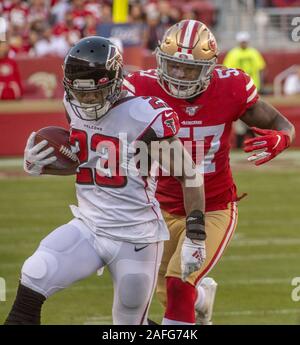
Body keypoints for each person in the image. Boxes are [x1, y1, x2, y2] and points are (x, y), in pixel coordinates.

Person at [4, 36, 206, 325]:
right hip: (89, 225)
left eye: (94, 93)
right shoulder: (71, 104)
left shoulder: (143, 115)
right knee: (36, 271)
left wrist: (196, 234)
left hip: (137, 236)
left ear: (114, 82)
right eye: (80, 93)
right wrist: (43, 165)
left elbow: (189, 174)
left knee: (127, 324)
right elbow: (90, 161)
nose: (86, 101)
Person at [123, 20, 295, 325]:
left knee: (179, 284)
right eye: (173, 66)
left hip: (214, 206)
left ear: (209, 68)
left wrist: (283, 138)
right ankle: (203, 301)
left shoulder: (231, 87)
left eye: (188, 69)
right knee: (161, 287)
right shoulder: (141, 87)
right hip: (159, 206)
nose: (178, 75)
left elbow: (283, 125)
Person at [223, 31, 267, 148]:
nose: (243, 43)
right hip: (238, 90)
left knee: (254, 115)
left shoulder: (253, 52)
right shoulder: (233, 53)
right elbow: (227, 71)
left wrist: (261, 85)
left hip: (253, 89)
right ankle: (240, 142)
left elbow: (261, 69)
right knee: (240, 117)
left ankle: (254, 140)